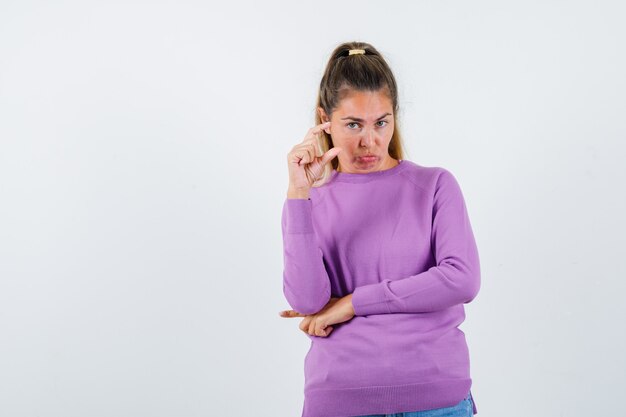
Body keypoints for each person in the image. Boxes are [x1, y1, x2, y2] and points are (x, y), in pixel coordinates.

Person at [278, 41, 481, 417]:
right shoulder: (309, 202)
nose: (369, 141)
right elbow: (307, 302)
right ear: (324, 118)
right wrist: (298, 193)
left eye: (381, 123)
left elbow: (461, 280)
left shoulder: (435, 185)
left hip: (435, 400)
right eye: (353, 124)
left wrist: (353, 303)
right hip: (340, 399)